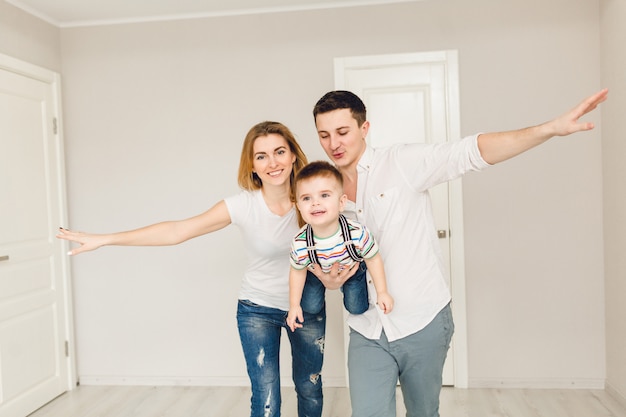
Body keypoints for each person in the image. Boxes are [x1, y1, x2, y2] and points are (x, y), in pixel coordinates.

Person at [310, 89, 608, 417]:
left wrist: (547, 129)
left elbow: (468, 152)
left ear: (364, 129)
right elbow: (325, 248)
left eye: (342, 132)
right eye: (324, 135)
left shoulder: (401, 162)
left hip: (422, 321)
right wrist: (330, 276)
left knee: (424, 413)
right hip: (367, 328)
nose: (333, 144)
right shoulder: (322, 191)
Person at [56, 121, 350, 417]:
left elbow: (347, 244)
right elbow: (177, 231)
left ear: (293, 156)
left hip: (305, 308)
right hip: (257, 310)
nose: (272, 163)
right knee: (266, 395)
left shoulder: (313, 199)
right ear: (252, 164)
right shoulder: (242, 206)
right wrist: (106, 239)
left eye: (279, 152)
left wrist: (332, 279)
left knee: (309, 387)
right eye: (261, 156)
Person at [286, 160, 394, 332]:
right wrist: (294, 305)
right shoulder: (300, 242)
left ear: (341, 202)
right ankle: (311, 294)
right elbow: (297, 271)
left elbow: (373, 259)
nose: (315, 203)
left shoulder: (356, 233)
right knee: (310, 308)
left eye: (324, 195)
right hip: (316, 269)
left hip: (351, 268)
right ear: (298, 207)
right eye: (307, 198)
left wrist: (382, 292)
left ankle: (355, 283)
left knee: (357, 308)